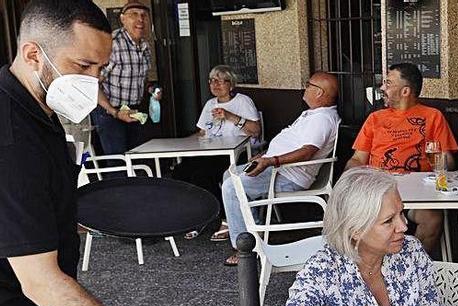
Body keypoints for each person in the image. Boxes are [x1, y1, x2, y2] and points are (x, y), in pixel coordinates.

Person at [0, 1, 208, 306]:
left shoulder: (36, 108)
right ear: (34, 54)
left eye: (101, 68)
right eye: (82, 67)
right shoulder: (11, 138)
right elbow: (40, 281)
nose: (93, 82)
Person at [269, 167, 450, 306]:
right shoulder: (325, 269)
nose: (404, 226)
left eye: (402, 213)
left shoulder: (411, 252)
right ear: (356, 230)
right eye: (389, 221)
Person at [216, 71, 341, 266]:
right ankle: (254, 233)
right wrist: (264, 157)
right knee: (228, 175)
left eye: (309, 85)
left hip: (287, 175)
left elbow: (307, 152)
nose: (305, 87)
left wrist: (271, 160)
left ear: (319, 93)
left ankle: (244, 249)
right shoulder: (315, 114)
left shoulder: (322, 119)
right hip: (277, 169)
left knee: (232, 187)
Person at [347, 62, 458, 253]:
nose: (382, 88)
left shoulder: (433, 117)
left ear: (405, 91)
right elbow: (357, 159)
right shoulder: (375, 119)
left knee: (432, 219)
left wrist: (437, 160)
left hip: (418, 193)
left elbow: (449, 161)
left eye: (388, 83)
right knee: (366, 218)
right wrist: (350, 177)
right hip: (379, 192)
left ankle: (411, 268)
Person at [172, 65, 262, 226]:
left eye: (220, 81)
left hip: (238, 153)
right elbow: (201, 133)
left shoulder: (242, 101)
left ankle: (223, 217)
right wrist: (182, 145)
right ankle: (198, 216)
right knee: (180, 171)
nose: (215, 84)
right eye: (212, 81)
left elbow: (255, 131)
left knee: (204, 174)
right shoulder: (210, 104)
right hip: (209, 152)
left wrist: (229, 116)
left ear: (231, 84)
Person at [91, 0, 152, 154]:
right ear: (123, 19)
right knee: (118, 162)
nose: (140, 20)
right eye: (134, 15)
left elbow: (142, 80)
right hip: (109, 112)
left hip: (133, 111)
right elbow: (93, 83)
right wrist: (114, 112)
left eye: (144, 15)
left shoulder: (145, 47)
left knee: (136, 158)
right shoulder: (112, 44)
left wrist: (153, 90)